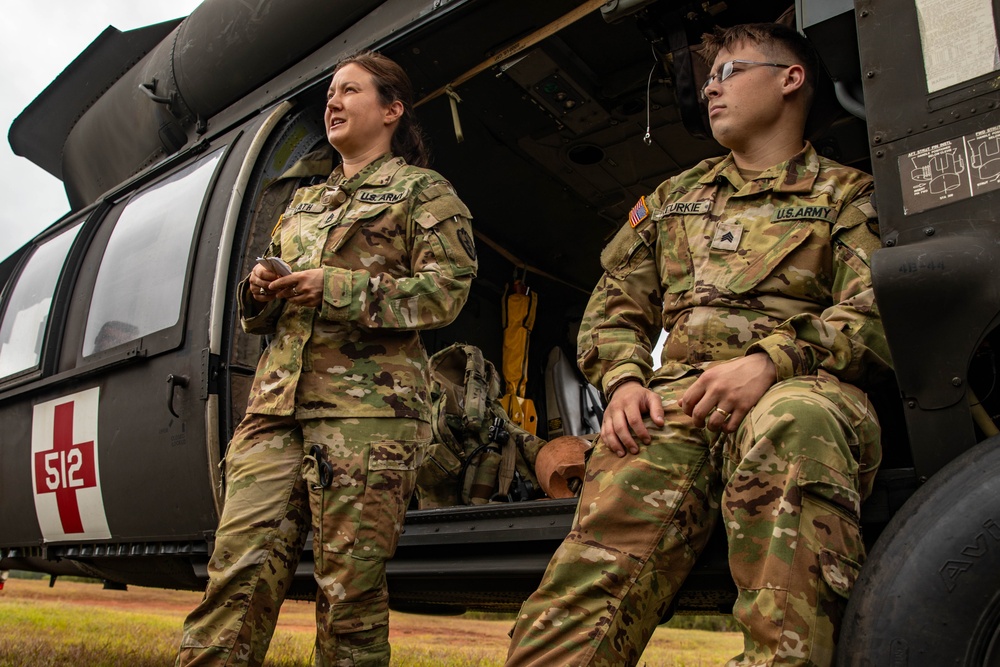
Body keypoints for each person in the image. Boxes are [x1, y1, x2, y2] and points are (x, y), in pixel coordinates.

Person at [506, 23, 890, 667]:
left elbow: (876, 312)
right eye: (708, 76)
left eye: (730, 72)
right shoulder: (673, 200)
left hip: (798, 390)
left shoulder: (846, 196)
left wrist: (772, 361)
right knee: (589, 576)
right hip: (676, 403)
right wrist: (626, 381)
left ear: (790, 79)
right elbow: (614, 307)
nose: (710, 87)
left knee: (796, 419)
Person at [176, 52, 477, 667]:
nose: (333, 102)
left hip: (368, 418)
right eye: (330, 93)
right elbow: (258, 316)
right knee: (235, 576)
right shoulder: (305, 202)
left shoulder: (424, 192)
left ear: (392, 110)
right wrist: (259, 291)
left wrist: (334, 288)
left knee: (348, 595)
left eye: (350, 91)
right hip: (274, 411)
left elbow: (447, 292)